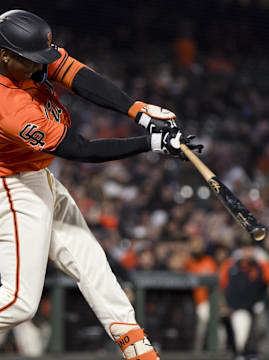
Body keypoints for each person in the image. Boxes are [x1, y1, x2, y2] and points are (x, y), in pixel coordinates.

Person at [0, 9, 202, 360]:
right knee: (19, 303)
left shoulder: (15, 54)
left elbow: (77, 75)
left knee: (90, 261)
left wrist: (139, 112)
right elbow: (80, 149)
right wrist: (150, 143)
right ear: (5, 56)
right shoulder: (8, 105)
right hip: (11, 185)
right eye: (31, 61)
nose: (40, 66)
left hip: (34, 175)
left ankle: (139, 351)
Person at [219, 243, 269, 359]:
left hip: (252, 308)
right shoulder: (230, 265)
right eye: (245, 249)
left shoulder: (259, 266)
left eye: (250, 249)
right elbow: (220, 285)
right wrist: (223, 304)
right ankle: (238, 353)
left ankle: (245, 353)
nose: (248, 253)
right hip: (232, 309)